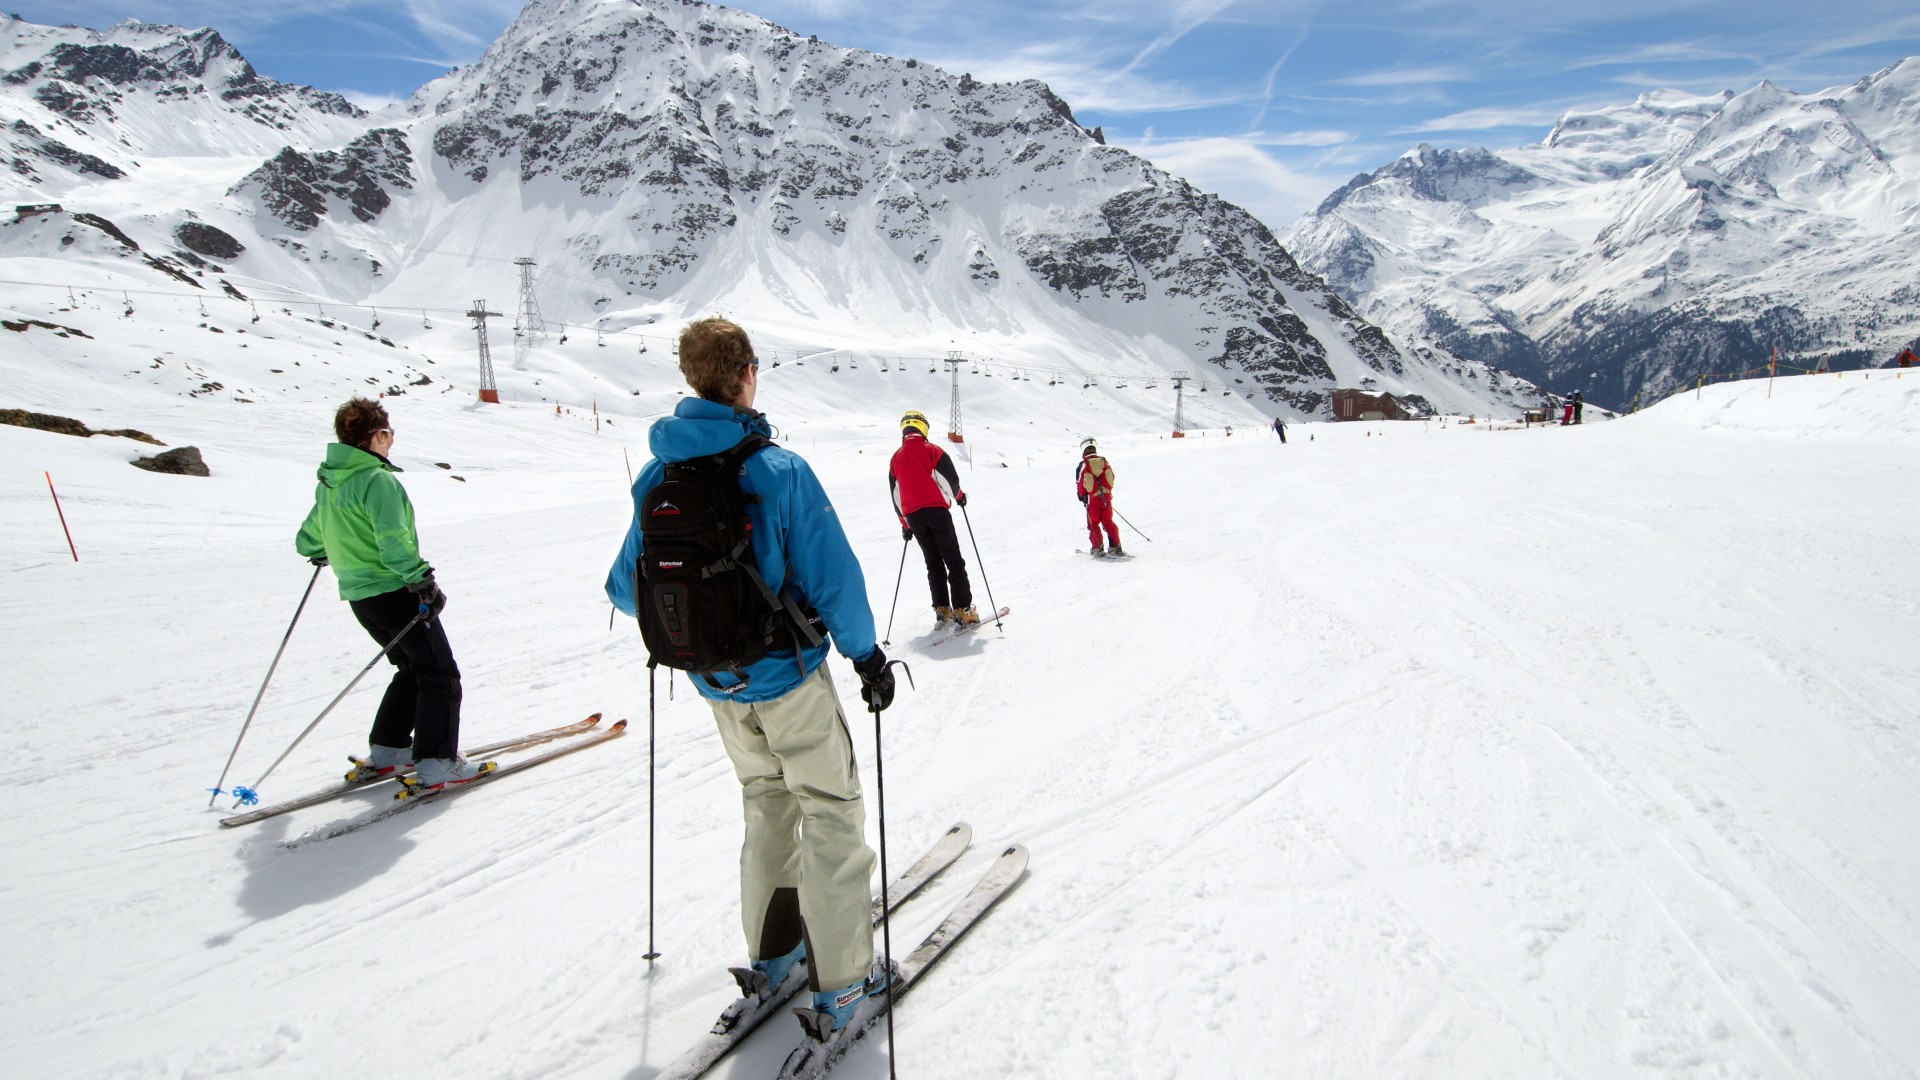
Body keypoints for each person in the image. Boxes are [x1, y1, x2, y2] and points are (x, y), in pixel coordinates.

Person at [604, 317, 895, 1038]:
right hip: (788, 676)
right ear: (745, 377)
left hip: (713, 685)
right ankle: (844, 981)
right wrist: (866, 657)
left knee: (766, 802)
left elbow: (621, 586)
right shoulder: (777, 469)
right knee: (829, 810)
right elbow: (836, 581)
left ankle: (775, 952)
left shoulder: (656, 476)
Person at [294, 398, 491, 792]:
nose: (391, 441)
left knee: (412, 668)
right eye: (389, 433)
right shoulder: (376, 481)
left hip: (361, 599)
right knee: (439, 673)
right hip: (395, 591)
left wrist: (325, 548)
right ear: (377, 436)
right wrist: (422, 581)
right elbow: (392, 541)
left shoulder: (331, 482)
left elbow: (308, 539)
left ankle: (390, 749)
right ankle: (437, 762)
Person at [889, 410, 976, 628]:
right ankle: (963, 611)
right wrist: (959, 497)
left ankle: (942, 610)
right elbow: (949, 480)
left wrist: (904, 524)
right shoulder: (932, 451)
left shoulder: (896, 458)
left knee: (933, 562)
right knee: (953, 561)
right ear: (923, 427)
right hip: (937, 513)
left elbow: (896, 495)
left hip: (915, 518)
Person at [1076, 437, 1122, 556]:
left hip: (1092, 502)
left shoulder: (1083, 465)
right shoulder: (1104, 462)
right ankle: (1115, 546)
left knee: (1093, 524)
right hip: (1106, 499)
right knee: (1108, 522)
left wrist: (1082, 496)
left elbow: (1080, 483)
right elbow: (1112, 477)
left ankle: (1097, 548)